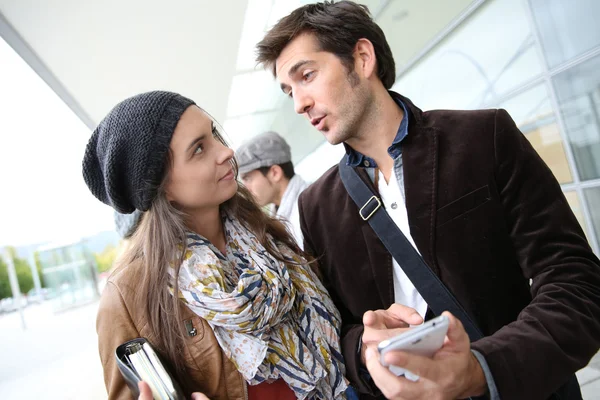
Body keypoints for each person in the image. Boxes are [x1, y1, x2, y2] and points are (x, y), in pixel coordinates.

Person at [255, 1, 600, 399]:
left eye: (307, 75)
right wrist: (366, 347)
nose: (299, 103)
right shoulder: (314, 208)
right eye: (288, 90)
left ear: (362, 58)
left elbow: (577, 284)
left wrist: (481, 369)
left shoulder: (482, 139)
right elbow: (337, 332)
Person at [82, 91, 353, 399]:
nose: (226, 151)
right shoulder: (128, 296)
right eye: (198, 148)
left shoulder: (266, 234)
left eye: (213, 134)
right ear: (162, 186)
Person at [236, 131, 310, 248]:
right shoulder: (281, 214)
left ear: (275, 173)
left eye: (248, 178)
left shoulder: (310, 208)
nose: (245, 188)